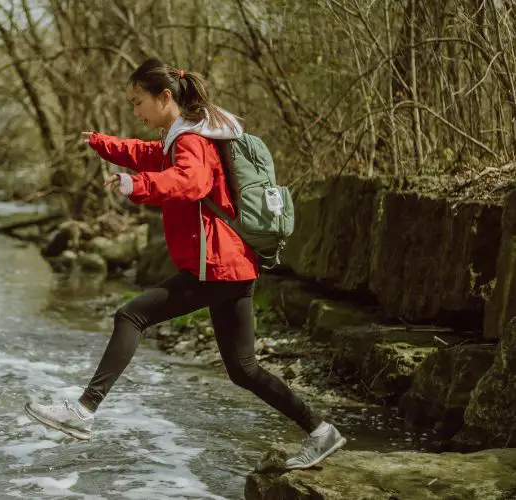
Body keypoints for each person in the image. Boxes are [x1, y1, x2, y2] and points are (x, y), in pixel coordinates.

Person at [25, 58, 346, 470]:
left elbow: (190, 183)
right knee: (243, 369)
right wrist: (103, 143)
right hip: (230, 264)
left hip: (215, 265)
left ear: (165, 97)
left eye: (138, 101)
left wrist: (136, 185)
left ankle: (84, 411)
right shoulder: (185, 134)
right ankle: (322, 432)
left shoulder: (191, 140)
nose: (135, 110)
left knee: (131, 316)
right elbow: (151, 155)